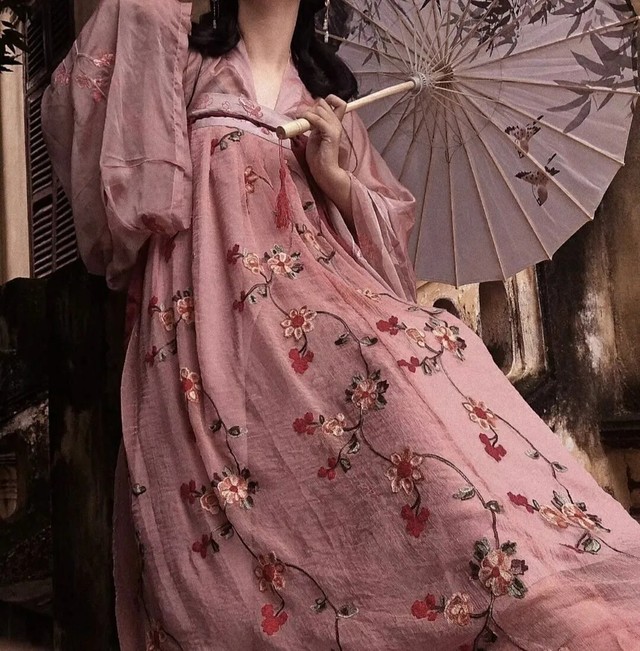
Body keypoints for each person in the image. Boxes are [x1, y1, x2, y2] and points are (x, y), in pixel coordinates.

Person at [41, 0, 640, 649]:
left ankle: (528, 585)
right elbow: (103, 144)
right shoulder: (182, 67)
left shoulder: (331, 109)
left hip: (320, 314)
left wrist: (336, 177)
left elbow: (391, 247)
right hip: (209, 321)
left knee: (435, 351)